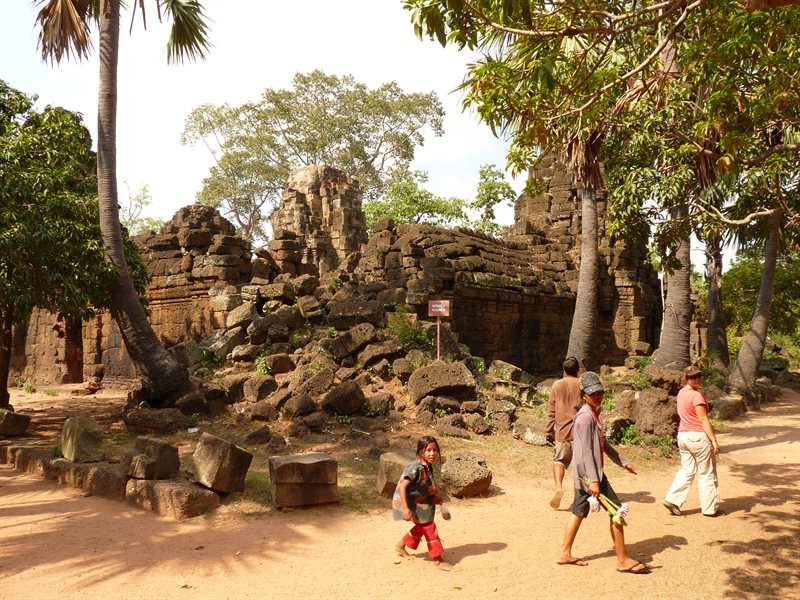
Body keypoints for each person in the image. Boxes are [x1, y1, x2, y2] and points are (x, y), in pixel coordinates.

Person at [558, 372, 650, 574]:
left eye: (600, 392)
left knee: (578, 511)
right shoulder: (585, 418)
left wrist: (623, 462)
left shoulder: (592, 415)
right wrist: (594, 481)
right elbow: (587, 453)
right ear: (583, 394)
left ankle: (565, 553)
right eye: (593, 393)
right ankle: (622, 559)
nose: (598, 396)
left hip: (585, 475)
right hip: (590, 476)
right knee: (616, 511)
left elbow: (601, 444)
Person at [663, 365, 722, 517]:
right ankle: (710, 509)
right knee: (707, 473)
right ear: (686, 379)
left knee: (687, 470)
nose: (697, 379)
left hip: (683, 436)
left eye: (698, 376)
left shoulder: (682, 393)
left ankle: (673, 499)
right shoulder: (696, 396)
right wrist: (714, 441)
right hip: (698, 437)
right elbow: (703, 419)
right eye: (693, 377)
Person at [393, 435, 452, 570]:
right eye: (428, 450)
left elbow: (424, 486)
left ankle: (400, 546)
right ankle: (437, 560)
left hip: (424, 504)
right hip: (414, 505)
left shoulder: (427, 466)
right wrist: (406, 509)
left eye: (435, 450)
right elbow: (403, 486)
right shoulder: (416, 468)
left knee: (421, 527)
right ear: (421, 452)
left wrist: (435, 498)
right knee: (429, 528)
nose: (432, 453)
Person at [546, 356, 583, 509]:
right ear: (578, 370)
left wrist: (549, 431)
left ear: (564, 370)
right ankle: (580, 496)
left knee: (559, 461)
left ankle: (559, 488)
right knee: (580, 465)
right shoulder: (582, 385)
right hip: (580, 432)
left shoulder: (556, 385)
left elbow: (551, 411)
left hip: (561, 431)